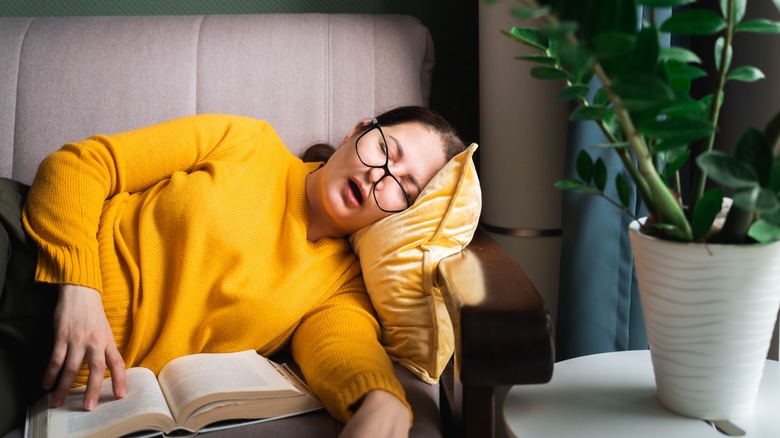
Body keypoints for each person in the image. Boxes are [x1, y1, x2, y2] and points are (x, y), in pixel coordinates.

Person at [0, 106, 467, 437]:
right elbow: (82, 164)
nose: (378, 176)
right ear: (357, 131)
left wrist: (380, 400)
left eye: (402, 187)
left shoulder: (339, 287)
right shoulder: (248, 141)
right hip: (24, 242)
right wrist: (78, 285)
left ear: (401, 216)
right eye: (385, 148)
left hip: (42, 369)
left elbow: (345, 351)